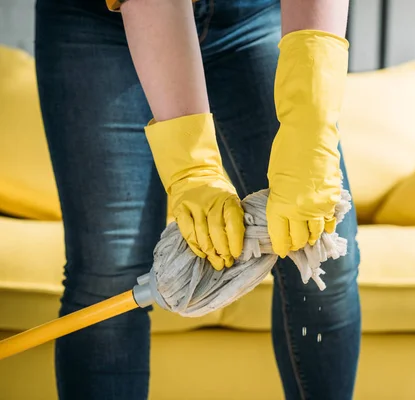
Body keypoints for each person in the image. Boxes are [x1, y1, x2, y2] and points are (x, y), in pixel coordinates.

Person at [34, 0, 361, 399]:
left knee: (323, 243)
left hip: (249, 14)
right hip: (100, 26)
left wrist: (311, 124)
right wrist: (193, 169)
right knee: (110, 272)